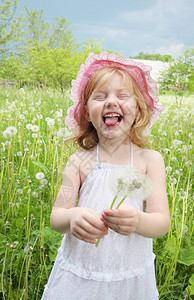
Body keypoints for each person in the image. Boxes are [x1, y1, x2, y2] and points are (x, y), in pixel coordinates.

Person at [41, 51, 170, 300]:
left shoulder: (149, 161)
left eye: (122, 96)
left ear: (138, 110)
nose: (111, 102)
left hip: (129, 275)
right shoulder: (79, 161)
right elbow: (57, 217)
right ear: (87, 113)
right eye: (100, 97)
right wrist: (72, 217)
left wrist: (139, 222)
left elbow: (161, 222)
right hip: (82, 270)